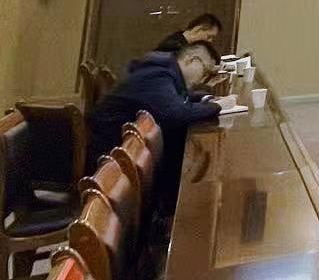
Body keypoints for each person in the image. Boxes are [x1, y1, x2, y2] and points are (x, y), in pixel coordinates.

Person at [87, 42, 223, 209]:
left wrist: (206, 99)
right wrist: (217, 106)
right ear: (191, 60)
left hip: (120, 150)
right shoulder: (158, 74)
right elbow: (175, 113)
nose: (203, 79)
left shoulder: (164, 70)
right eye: (206, 72)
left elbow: (180, 100)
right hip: (109, 156)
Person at [154, 12, 223, 55]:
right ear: (198, 29)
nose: (210, 41)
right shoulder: (174, 47)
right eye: (209, 36)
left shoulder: (181, 41)